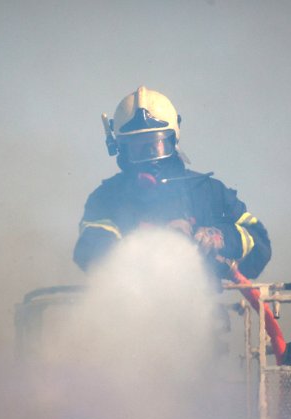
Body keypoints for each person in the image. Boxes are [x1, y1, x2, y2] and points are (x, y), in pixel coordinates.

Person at [72, 85, 271, 287]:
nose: (149, 158)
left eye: (156, 145)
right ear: (121, 149)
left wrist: (217, 237)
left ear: (173, 140)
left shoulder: (208, 192)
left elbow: (259, 244)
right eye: (137, 148)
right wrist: (155, 240)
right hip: (127, 314)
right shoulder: (107, 198)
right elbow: (90, 249)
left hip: (202, 315)